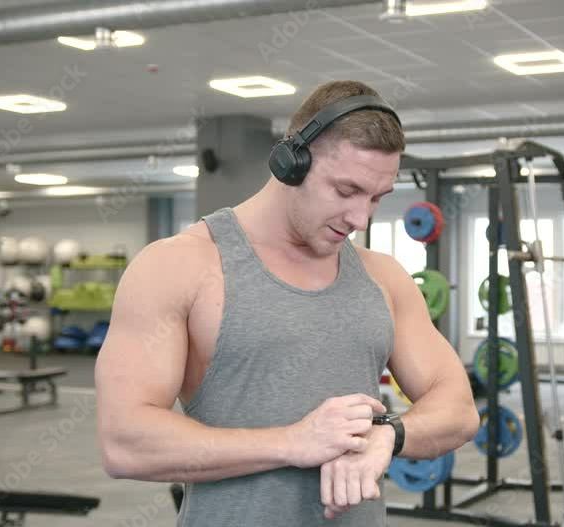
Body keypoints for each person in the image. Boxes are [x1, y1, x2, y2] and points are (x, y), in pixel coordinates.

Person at [95, 80, 480, 526]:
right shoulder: (179, 265)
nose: (360, 218)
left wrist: (388, 436)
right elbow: (124, 441)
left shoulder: (384, 276)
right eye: (346, 190)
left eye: (376, 198)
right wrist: (293, 442)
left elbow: (458, 408)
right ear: (290, 163)